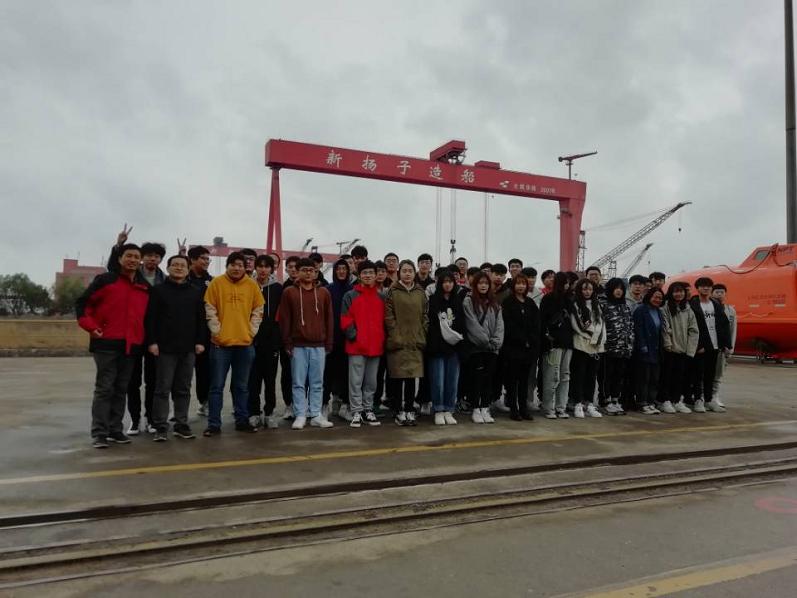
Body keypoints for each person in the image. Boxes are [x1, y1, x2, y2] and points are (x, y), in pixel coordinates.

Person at [76, 243, 150, 448]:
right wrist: (91, 327)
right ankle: (100, 433)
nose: (132, 260)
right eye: (128, 255)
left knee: (121, 389)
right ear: (119, 259)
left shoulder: (144, 286)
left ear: (140, 260)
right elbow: (83, 304)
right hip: (106, 343)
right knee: (105, 389)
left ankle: (115, 429)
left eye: (136, 256)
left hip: (131, 346)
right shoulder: (105, 280)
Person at [108, 228, 166, 436]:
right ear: (142, 257)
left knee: (153, 380)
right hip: (132, 334)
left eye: (156, 256)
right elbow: (113, 267)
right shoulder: (132, 275)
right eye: (148, 255)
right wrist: (119, 245)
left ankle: (151, 418)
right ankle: (134, 419)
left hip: (154, 336)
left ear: (160, 259)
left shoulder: (164, 279)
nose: (152, 259)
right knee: (132, 381)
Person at [203, 252, 264, 436]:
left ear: (245, 267)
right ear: (227, 265)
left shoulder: (252, 285)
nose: (237, 268)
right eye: (233, 264)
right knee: (216, 386)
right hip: (220, 345)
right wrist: (217, 332)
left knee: (241, 387)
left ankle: (242, 420)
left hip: (245, 344)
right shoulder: (216, 283)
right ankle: (214, 424)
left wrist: (251, 332)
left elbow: (258, 309)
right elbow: (210, 309)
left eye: (240, 265)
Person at [145, 255, 206, 441]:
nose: (179, 268)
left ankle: (181, 424)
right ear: (168, 268)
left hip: (188, 348)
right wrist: (152, 342)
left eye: (182, 265)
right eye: (175, 265)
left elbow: (201, 319)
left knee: (183, 389)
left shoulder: (195, 292)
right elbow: (150, 319)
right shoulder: (158, 291)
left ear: (188, 270)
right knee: (162, 389)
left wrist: (200, 342)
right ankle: (160, 426)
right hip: (164, 349)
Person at [279, 258, 334, 429]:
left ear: (316, 272)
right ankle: (300, 414)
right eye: (304, 270)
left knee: (317, 383)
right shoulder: (289, 292)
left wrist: (329, 342)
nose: (308, 273)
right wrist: (287, 343)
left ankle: (316, 414)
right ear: (298, 272)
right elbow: (285, 319)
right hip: (298, 345)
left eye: (311, 270)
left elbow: (329, 319)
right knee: (298, 382)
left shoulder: (324, 293)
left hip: (319, 345)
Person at [340, 260, 385, 427]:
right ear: (359, 276)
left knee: (371, 382)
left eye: (371, 273)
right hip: (356, 346)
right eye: (364, 273)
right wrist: (354, 336)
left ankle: (368, 409)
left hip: (376, 346)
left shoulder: (381, 297)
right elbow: (345, 320)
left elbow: (386, 321)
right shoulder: (350, 296)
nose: (368, 275)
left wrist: (382, 338)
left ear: (376, 275)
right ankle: (356, 411)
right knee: (355, 381)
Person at [384, 260, 428, 426]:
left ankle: (409, 409)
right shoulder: (392, 291)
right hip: (398, 341)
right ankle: (398, 411)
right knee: (398, 377)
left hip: (415, 341)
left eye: (410, 271)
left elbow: (425, 315)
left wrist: (422, 334)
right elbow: (388, 316)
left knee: (411, 378)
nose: (407, 274)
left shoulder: (420, 292)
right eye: (404, 271)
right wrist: (396, 336)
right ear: (399, 273)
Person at [462, 271, 504, 424]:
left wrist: (496, 342)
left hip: (492, 350)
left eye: (486, 283)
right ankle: (475, 408)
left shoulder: (495, 302)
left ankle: (485, 408)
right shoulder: (468, 301)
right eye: (480, 283)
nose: (483, 286)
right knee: (476, 380)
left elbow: (500, 325)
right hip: (476, 348)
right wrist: (486, 341)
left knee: (488, 379)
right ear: (475, 285)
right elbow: (471, 324)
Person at [247, 255, 283, 429]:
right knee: (253, 380)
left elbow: (281, 315)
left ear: (271, 269)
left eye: (266, 266)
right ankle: (254, 413)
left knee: (270, 380)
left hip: (271, 343)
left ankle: (269, 413)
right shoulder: (248, 285)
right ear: (255, 267)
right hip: (250, 340)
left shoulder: (278, 288)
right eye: (260, 266)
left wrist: (277, 339)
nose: (263, 270)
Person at [426, 271, 465, 425]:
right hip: (437, 347)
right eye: (444, 281)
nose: (447, 284)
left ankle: (449, 409)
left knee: (452, 381)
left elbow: (461, 323)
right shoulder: (433, 300)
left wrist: (456, 339)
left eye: (450, 281)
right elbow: (430, 324)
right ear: (439, 283)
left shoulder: (458, 300)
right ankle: (438, 409)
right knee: (438, 381)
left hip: (454, 347)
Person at [688, 277, 731, 413]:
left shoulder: (716, 304)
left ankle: (708, 400)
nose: (706, 288)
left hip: (715, 345)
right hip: (700, 347)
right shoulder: (692, 305)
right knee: (697, 375)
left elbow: (724, 325)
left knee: (710, 374)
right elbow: (691, 327)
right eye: (702, 286)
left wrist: (726, 344)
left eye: (708, 286)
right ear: (697, 288)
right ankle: (698, 400)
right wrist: (698, 345)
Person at [500, 273, 540, 421]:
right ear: (513, 285)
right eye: (518, 283)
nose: (521, 286)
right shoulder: (508, 302)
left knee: (524, 380)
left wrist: (531, 340)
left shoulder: (530, 303)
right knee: (512, 380)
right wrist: (521, 339)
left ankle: (523, 408)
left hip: (528, 349)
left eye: (523, 283)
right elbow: (508, 324)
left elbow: (536, 324)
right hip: (512, 348)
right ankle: (513, 409)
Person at [569, 279, 606, 418]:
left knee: (591, 376)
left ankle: (589, 403)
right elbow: (577, 325)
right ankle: (577, 403)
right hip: (581, 344)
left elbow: (601, 324)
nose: (587, 292)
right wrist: (592, 337)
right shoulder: (575, 305)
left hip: (596, 347)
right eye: (584, 289)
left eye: (590, 289)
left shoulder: (598, 305)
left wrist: (599, 340)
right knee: (578, 376)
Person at [660, 282, 699, 414]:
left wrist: (690, 350)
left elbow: (693, 330)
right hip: (669, 349)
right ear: (671, 293)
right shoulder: (665, 308)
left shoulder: (688, 309)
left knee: (679, 377)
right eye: (676, 291)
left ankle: (676, 400)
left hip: (683, 350)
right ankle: (665, 401)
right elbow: (665, 328)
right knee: (667, 377)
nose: (679, 294)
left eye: (681, 291)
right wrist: (668, 344)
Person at [539, 272, 574, 419]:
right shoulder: (548, 298)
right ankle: (549, 407)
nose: (567, 285)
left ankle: (561, 407)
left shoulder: (570, 300)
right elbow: (542, 321)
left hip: (567, 343)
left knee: (565, 376)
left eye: (568, 283)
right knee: (552, 376)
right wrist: (546, 339)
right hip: (553, 343)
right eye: (565, 282)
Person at [600, 278, 633, 415]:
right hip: (608, 348)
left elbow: (630, 326)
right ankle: (605, 401)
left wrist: (630, 344)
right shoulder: (604, 305)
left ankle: (615, 400)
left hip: (623, 349)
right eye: (616, 288)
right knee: (607, 375)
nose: (619, 291)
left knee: (619, 375)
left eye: (621, 288)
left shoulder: (625, 306)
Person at [325, 259, 353, 419]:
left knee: (346, 373)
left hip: (348, 338)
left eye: (344, 269)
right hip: (331, 338)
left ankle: (344, 405)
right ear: (335, 271)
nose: (341, 271)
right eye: (338, 269)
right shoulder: (327, 290)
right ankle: (328, 403)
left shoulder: (353, 290)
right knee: (328, 373)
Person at [187, 245, 213, 417]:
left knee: (205, 371)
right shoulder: (182, 278)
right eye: (203, 258)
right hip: (184, 331)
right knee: (181, 374)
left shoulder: (211, 281)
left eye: (207, 259)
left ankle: (204, 401)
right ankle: (179, 408)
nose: (206, 262)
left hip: (205, 332)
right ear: (192, 260)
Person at [633, 288, 665, 415]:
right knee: (643, 378)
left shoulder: (658, 311)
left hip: (656, 349)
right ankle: (642, 403)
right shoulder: (641, 310)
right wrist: (642, 346)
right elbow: (638, 329)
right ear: (649, 296)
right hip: (644, 349)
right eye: (655, 297)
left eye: (660, 298)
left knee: (654, 378)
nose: (658, 300)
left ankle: (651, 402)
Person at [711, 283, 737, 408]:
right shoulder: (707, 308)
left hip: (722, 348)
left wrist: (730, 347)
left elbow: (733, 330)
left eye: (722, 292)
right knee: (704, 374)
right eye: (717, 292)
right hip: (709, 347)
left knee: (718, 374)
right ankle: (702, 396)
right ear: (712, 293)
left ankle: (714, 396)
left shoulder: (730, 310)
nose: (719, 294)